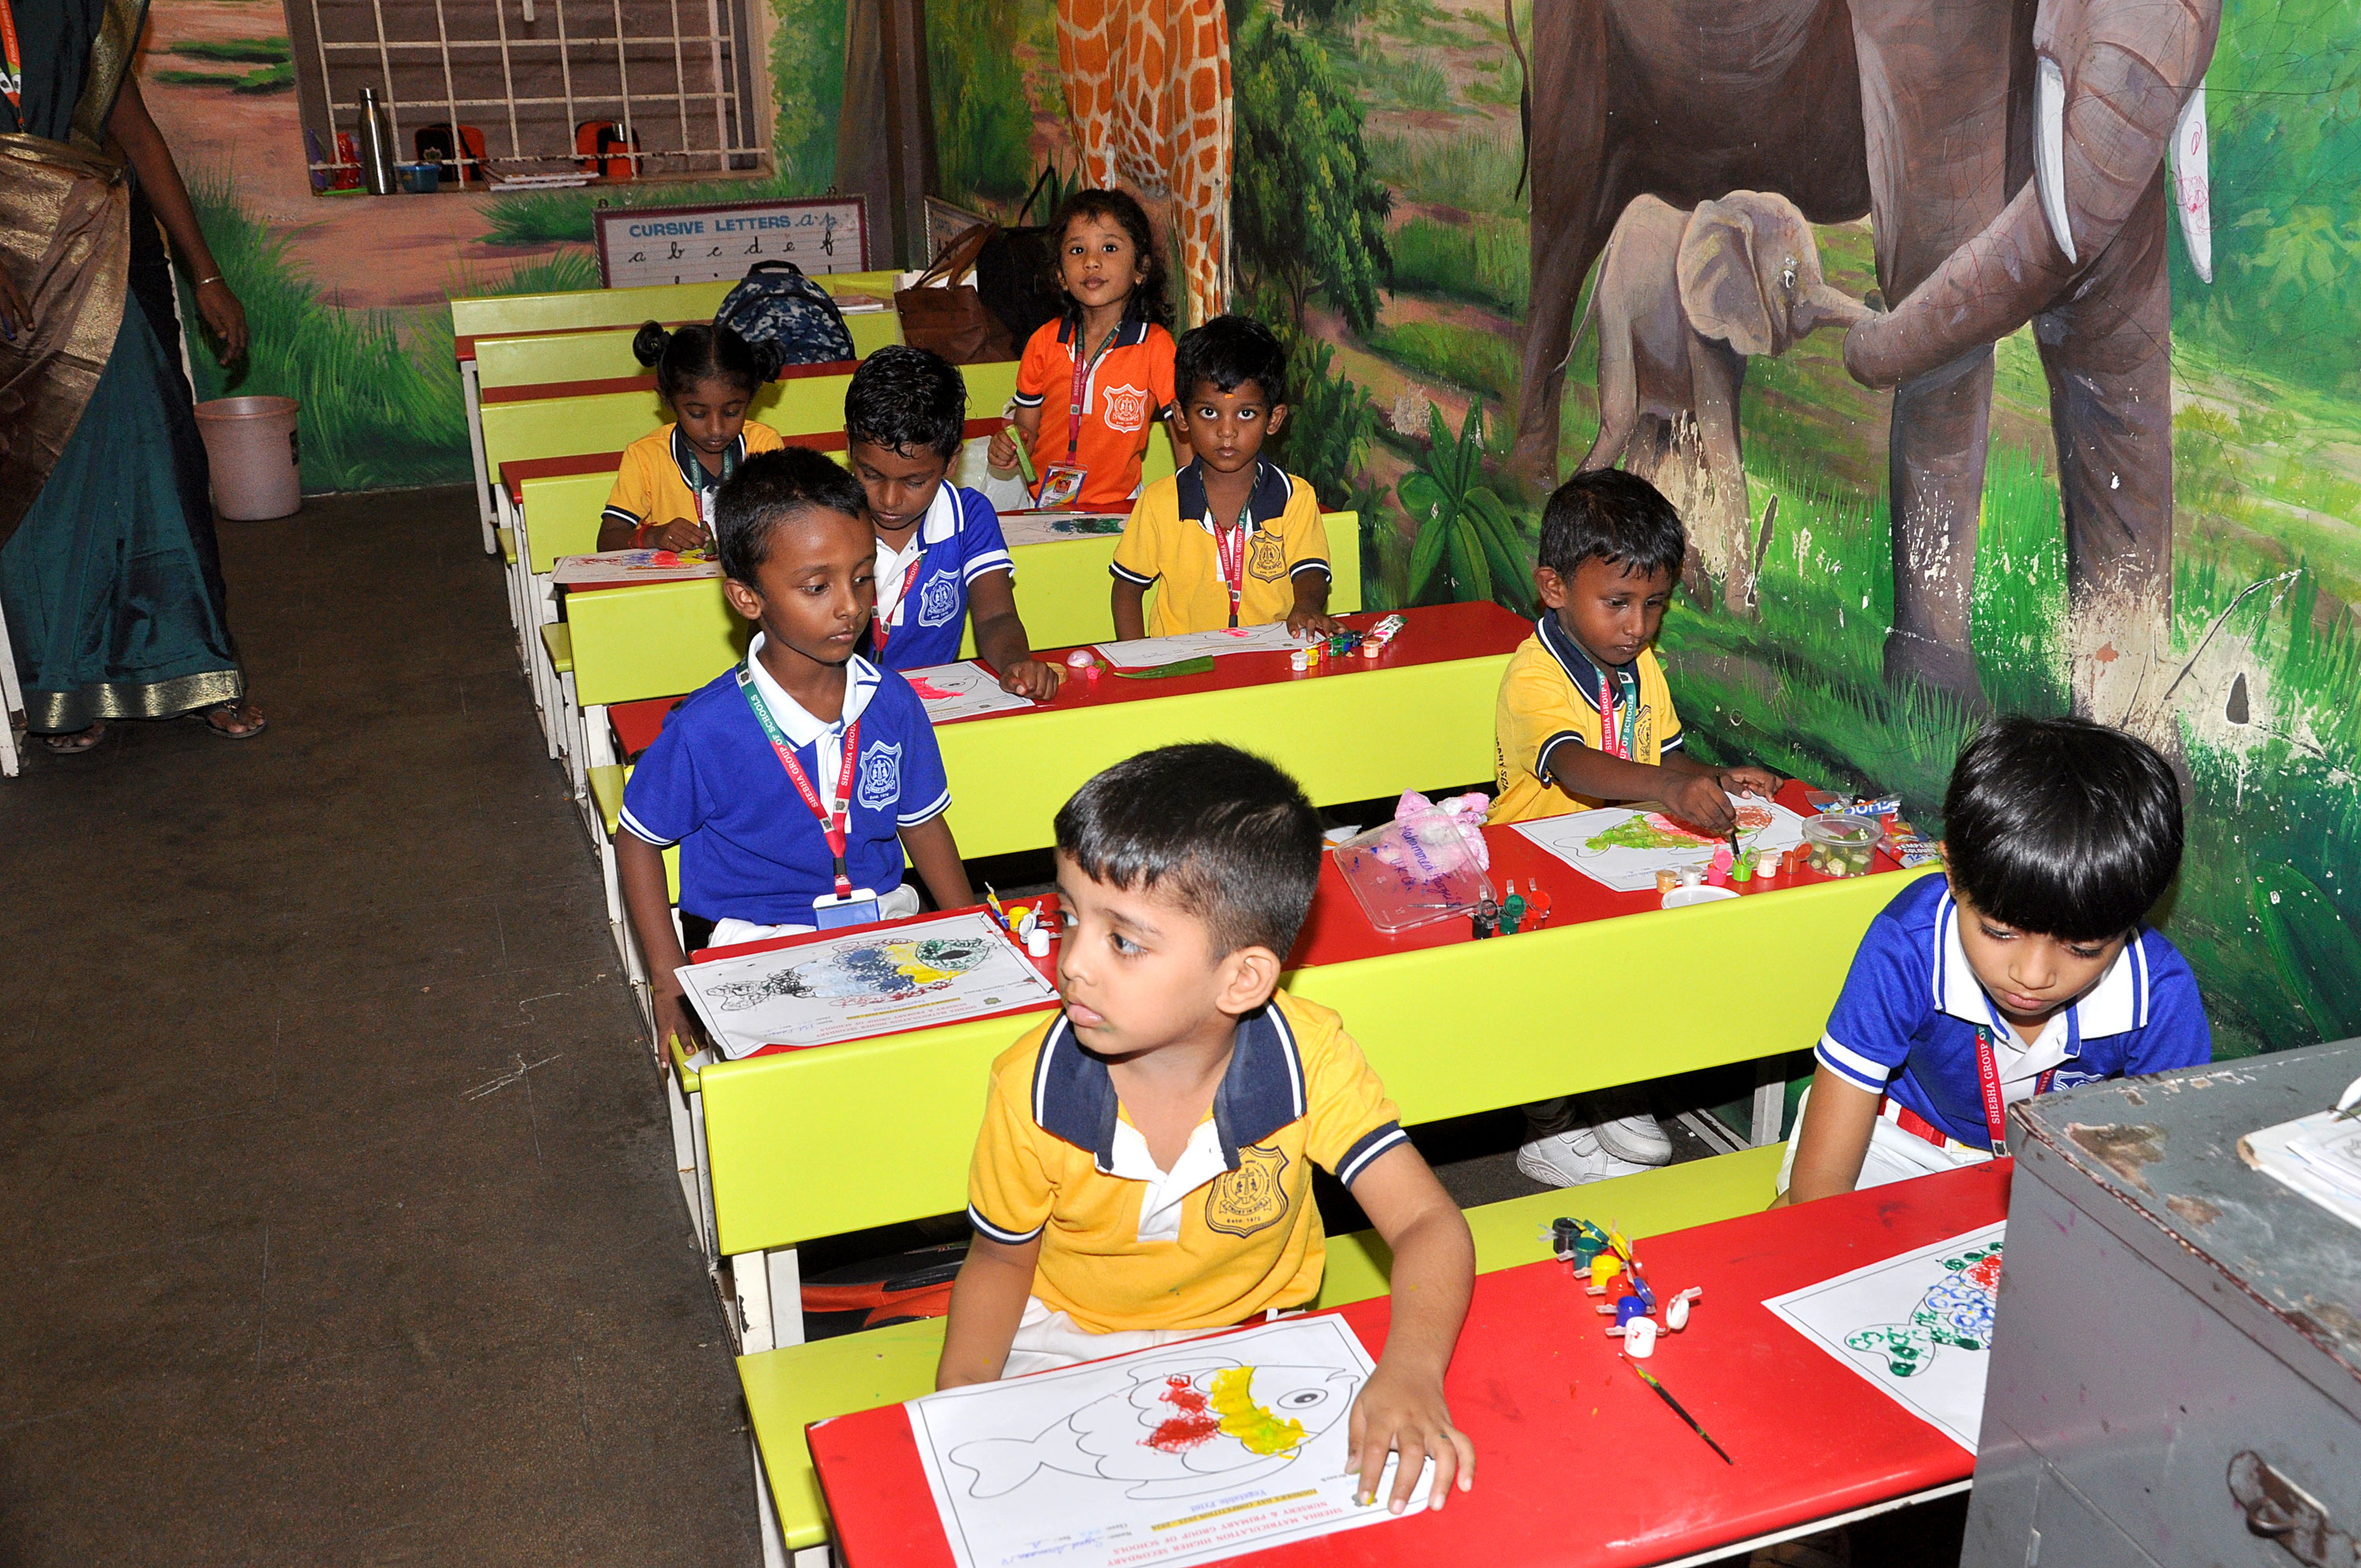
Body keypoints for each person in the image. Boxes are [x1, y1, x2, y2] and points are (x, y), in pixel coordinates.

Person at [937, 743, 1476, 1517]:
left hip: (1255, 1340)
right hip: (1069, 1343)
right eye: (1069, 915)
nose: (1074, 962)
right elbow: (999, 1260)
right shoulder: (1033, 1085)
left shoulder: (1307, 1059)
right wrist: (960, 1407)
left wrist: (1414, 1370)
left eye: (1123, 940)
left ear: (1242, 978)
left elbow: (1429, 1222)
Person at [615, 448, 975, 1053]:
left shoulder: (891, 701)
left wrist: (969, 926)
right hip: (755, 943)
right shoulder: (707, 728)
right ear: (747, 598)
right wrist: (668, 979)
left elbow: (921, 823)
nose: (850, 605)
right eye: (817, 586)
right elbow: (637, 839)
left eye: (863, 576)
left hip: (877, 925)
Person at [1775, 716, 2211, 1205]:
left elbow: (2164, 1167)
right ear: (1952, 873)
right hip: (1893, 1143)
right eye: (1999, 932)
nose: (2032, 975)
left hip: (2056, 1167)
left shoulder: (2159, 991)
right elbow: (1822, 1186)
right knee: (1792, 1233)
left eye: (2083, 949)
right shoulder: (1908, 945)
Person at [1487, 468, 1780, 1186]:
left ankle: (1608, 1090)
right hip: (1534, 870)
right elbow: (1574, 765)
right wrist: (1669, 788)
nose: (1638, 626)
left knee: (1620, 984)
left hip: (1612, 858)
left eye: (1654, 605)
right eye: (1617, 603)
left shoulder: (1640, 664)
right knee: (1548, 1002)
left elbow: (1666, 754)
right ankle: (1549, 1129)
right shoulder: (1534, 674)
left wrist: (1715, 777)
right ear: (1554, 587)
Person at [0, 7, 265, 752]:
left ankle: (195, 670)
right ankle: (62, 688)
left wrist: (206, 274)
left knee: (156, 459)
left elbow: (139, 136)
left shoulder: (76, 10)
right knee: (39, 485)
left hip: (98, 250)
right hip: (10, 280)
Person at [843, 345, 1062, 698]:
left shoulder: (968, 517)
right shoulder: (826, 518)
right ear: (849, 447)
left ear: (951, 462)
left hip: (932, 705)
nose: (889, 499)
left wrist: (1016, 663)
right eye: (871, 475)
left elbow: (995, 617)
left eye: (914, 482)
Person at [1107, 315, 1339, 641]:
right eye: (1209, 412)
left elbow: (1311, 572)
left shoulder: (1292, 497)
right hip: (1183, 662)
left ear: (1273, 419)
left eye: (1246, 413)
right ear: (1181, 416)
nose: (1226, 431)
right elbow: (1127, 590)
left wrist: (1308, 605)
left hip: (1270, 658)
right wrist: (1140, 659)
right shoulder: (1160, 502)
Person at [986, 190, 1185, 512]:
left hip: (1121, 508)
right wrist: (1008, 446)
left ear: (1141, 269)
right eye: (1077, 250)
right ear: (1061, 276)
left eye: (1109, 248)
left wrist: (1191, 502)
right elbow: (1025, 433)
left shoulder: (1156, 347)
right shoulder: (1043, 342)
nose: (1091, 262)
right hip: (1042, 506)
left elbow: (1183, 430)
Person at [596, 322, 784, 552]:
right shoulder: (646, 456)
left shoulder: (764, 445)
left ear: (751, 398)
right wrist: (652, 536)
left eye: (732, 412)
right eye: (697, 413)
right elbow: (607, 541)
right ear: (667, 399)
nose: (716, 429)